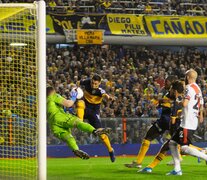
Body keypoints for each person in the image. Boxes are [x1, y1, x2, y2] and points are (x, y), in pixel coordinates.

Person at [124, 75, 176, 168]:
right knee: (151, 138)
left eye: (167, 81)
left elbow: (173, 102)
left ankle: (199, 152)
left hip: (169, 121)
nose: (164, 83)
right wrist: (160, 103)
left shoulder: (175, 93)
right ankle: (139, 162)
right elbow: (167, 103)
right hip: (165, 120)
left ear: (172, 83)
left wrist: (160, 100)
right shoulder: (168, 93)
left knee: (178, 144)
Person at [47, 86, 111, 159]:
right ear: (53, 91)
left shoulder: (43, 103)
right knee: (78, 123)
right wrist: (74, 97)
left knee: (68, 138)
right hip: (60, 117)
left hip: (52, 125)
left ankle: (76, 149)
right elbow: (68, 104)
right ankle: (94, 131)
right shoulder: (53, 96)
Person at [167, 69, 207, 176]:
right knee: (172, 143)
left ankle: (205, 156)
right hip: (192, 120)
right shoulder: (197, 88)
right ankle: (177, 169)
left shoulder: (188, 88)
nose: (184, 78)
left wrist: (177, 101)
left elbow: (184, 104)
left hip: (187, 122)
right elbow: (202, 103)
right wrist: (201, 114)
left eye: (185, 76)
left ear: (188, 77)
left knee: (184, 148)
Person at [76, 74, 116, 162]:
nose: (93, 85)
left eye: (96, 84)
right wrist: (76, 89)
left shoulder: (100, 91)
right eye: (92, 83)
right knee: (80, 103)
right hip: (85, 108)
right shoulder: (86, 82)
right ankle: (79, 122)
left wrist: (109, 98)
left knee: (101, 134)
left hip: (94, 112)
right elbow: (78, 83)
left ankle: (110, 150)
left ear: (99, 83)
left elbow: (105, 95)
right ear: (91, 81)